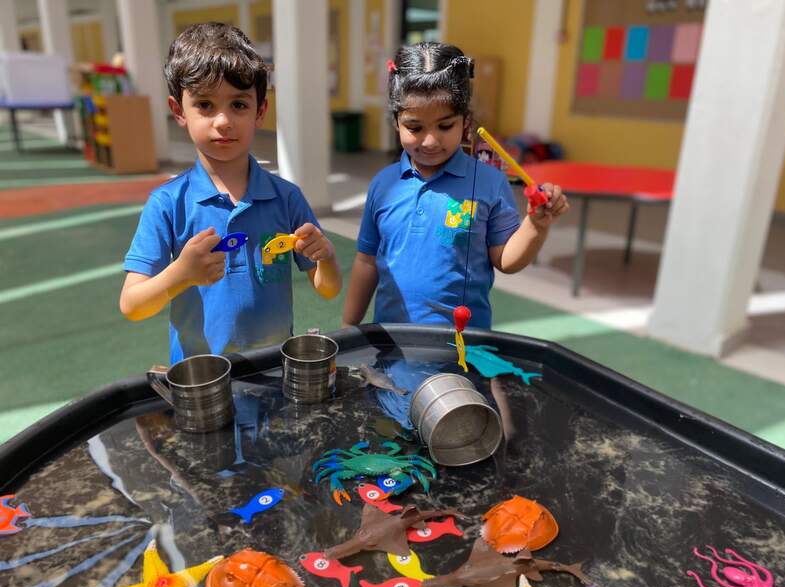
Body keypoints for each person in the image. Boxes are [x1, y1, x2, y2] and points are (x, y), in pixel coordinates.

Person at [120, 23, 341, 363]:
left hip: (275, 369)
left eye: (238, 105)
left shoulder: (286, 198)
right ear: (179, 110)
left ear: (260, 111)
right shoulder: (167, 204)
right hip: (201, 378)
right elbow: (132, 305)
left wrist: (324, 256)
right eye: (205, 105)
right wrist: (181, 274)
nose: (223, 121)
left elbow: (327, 288)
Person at [342, 42, 568, 329]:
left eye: (445, 126)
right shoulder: (383, 185)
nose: (430, 141)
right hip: (391, 343)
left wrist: (536, 225)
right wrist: (348, 328)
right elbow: (367, 262)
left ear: (466, 123)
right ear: (396, 123)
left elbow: (506, 260)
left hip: (465, 348)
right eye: (415, 127)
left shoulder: (489, 183)